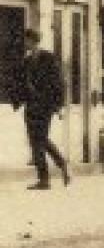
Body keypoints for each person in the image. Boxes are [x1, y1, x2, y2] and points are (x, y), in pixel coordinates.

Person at [14, 29, 69, 190]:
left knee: (40, 140)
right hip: (31, 107)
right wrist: (18, 100)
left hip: (45, 107)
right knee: (37, 141)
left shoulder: (48, 58)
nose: (25, 44)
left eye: (27, 40)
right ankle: (58, 167)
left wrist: (58, 106)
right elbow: (20, 84)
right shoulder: (26, 61)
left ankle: (46, 178)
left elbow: (58, 83)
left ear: (33, 41)